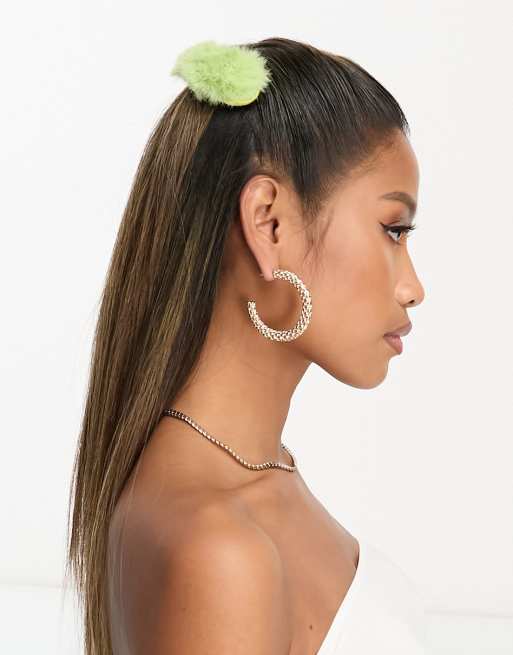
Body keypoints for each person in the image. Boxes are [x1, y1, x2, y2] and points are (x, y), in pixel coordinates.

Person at [66, 37, 428, 654]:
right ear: (269, 223)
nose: (413, 287)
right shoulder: (221, 548)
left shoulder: (258, 470)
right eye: (393, 229)